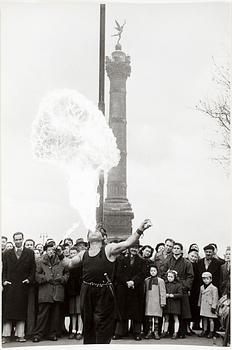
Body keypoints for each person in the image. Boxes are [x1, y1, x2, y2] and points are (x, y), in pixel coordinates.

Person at [63, 219, 152, 344]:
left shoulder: (109, 249)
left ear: (103, 238)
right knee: (88, 323)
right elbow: (70, 264)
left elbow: (127, 243)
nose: (93, 231)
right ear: (88, 237)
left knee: (102, 324)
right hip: (87, 290)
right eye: (91, 230)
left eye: (97, 230)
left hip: (104, 291)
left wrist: (140, 229)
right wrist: (61, 255)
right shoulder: (83, 253)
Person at [2, 232, 36, 344]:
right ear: (13, 240)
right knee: (8, 311)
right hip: (10, 286)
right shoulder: (6, 253)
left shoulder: (30, 253)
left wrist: (29, 280)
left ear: (23, 239)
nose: (18, 241)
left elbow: (33, 269)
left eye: (19, 239)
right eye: (15, 240)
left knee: (21, 311)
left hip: (22, 286)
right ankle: (6, 335)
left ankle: (20, 335)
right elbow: (4, 269)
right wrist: (4, 281)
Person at [32, 241, 69, 342]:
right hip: (45, 291)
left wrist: (62, 279)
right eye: (48, 250)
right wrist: (45, 278)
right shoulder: (40, 262)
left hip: (57, 291)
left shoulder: (61, 262)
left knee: (55, 315)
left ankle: (52, 334)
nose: (51, 252)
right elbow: (36, 275)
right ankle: (38, 334)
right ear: (45, 251)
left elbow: (67, 273)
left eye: (53, 250)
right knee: (42, 314)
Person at [113, 243, 147, 341]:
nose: (134, 250)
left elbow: (143, 273)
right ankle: (119, 332)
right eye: (132, 247)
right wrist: (126, 281)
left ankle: (136, 332)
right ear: (128, 248)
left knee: (136, 311)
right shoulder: (120, 259)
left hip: (136, 289)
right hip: (123, 288)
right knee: (121, 310)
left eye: (136, 248)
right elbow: (118, 273)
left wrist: (133, 281)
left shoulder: (142, 261)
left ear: (138, 249)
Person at [161, 242, 194, 338]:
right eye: (174, 248)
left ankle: (181, 332)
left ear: (181, 250)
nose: (175, 249)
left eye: (178, 248)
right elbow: (163, 273)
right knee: (170, 311)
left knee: (182, 311)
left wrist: (184, 286)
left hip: (181, 289)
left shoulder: (186, 262)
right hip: (170, 288)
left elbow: (190, 276)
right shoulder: (168, 261)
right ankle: (170, 331)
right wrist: (167, 282)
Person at [66, 246, 85, 340]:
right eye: (71, 253)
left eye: (74, 253)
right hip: (71, 290)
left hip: (80, 289)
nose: (72, 255)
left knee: (79, 311)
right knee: (72, 312)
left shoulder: (81, 264)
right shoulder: (69, 264)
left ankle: (80, 330)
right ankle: (73, 330)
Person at [144, 265, 166, 340]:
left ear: (157, 271)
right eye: (151, 271)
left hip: (157, 302)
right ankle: (149, 331)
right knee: (149, 317)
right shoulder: (146, 280)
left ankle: (156, 332)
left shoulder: (160, 281)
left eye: (154, 271)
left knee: (156, 317)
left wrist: (163, 301)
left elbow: (163, 292)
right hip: (149, 302)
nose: (152, 272)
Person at [162, 270, 182, 339]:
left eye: (171, 276)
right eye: (168, 276)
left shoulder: (178, 285)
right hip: (167, 303)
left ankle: (175, 332)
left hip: (175, 304)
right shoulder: (165, 284)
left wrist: (173, 295)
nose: (169, 278)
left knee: (175, 318)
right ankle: (165, 331)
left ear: (175, 277)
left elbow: (180, 294)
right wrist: (165, 295)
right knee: (166, 318)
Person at [198, 272, 219, 338]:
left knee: (211, 319)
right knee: (204, 318)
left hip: (210, 305)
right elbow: (200, 296)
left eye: (207, 279)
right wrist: (199, 304)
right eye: (204, 279)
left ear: (211, 279)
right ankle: (204, 330)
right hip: (204, 305)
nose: (205, 280)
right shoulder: (201, 287)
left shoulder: (214, 288)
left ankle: (211, 331)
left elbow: (215, 298)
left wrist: (214, 306)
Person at [187, 248, 201, 333]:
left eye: (195, 257)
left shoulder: (196, 265)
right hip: (188, 289)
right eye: (192, 256)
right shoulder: (186, 263)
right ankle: (186, 327)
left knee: (192, 309)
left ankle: (189, 327)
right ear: (188, 255)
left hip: (194, 290)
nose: (193, 258)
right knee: (186, 309)